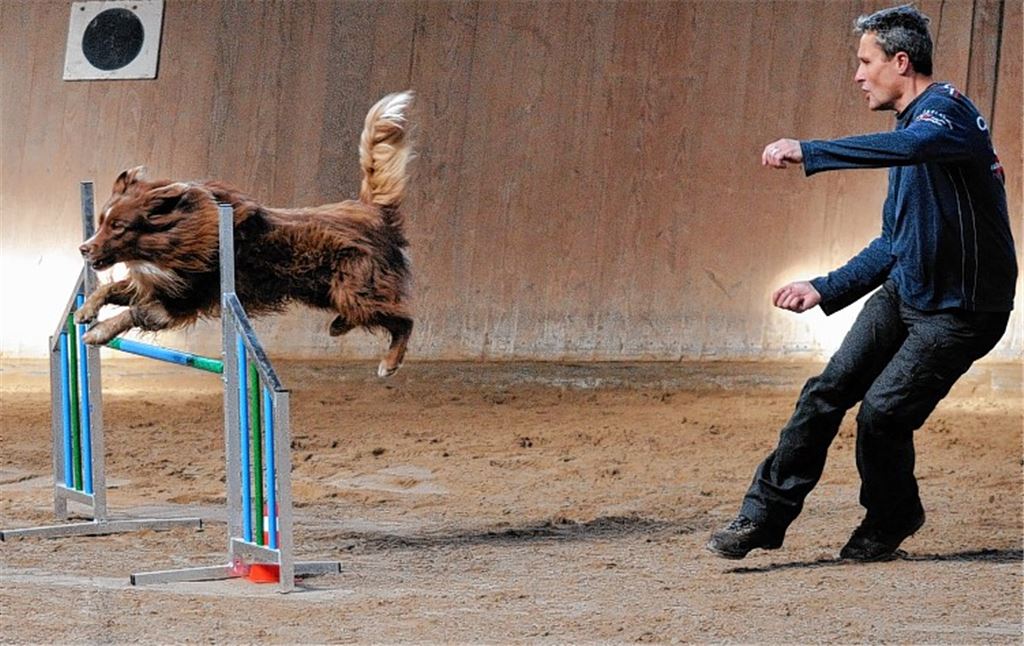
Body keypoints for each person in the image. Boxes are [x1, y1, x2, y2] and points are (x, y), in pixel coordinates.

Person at [706, 4, 1018, 562]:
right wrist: (825, 287)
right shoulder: (912, 130)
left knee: (882, 414)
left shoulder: (946, 115)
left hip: (963, 311)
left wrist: (811, 151)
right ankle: (761, 517)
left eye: (864, 61)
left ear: (901, 62)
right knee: (825, 394)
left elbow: (915, 146)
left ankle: (892, 517)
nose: (857, 75)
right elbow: (894, 242)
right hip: (908, 291)